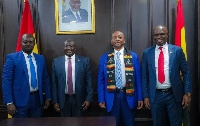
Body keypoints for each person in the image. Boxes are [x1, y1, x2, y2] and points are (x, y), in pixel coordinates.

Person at [142, 25, 192, 126]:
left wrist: (187, 93)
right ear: (153, 36)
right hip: (156, 96)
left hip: (174, 95)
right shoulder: (147, 53)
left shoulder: (177, 51)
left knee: (176, 123)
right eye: (156, 34)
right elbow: (144, 75)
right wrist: (145, 96)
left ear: (167, 35)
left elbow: (186, 71)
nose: (159, 36)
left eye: (162, 34)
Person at [98, 31, 143, 126]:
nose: (117, 39)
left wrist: (140, 98)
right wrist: (101, 99)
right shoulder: (104, 58)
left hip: (129, 96)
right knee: (113, 123)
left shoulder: (133, 56)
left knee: (129, 123)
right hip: (111, 97)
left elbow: (138, 79)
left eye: (120, 37)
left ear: (124, 40)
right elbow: (101, 80)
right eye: (114, 37)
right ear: (111, 41)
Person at [2, 33, 51, 118]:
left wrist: (48, 97)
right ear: (21, 43)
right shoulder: (12, 58)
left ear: (34, 44)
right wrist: (9, 102)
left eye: (30, 42)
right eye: (25, 42)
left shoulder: (40, 58)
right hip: (19, 101)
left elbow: (45, 79)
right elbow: (6, 81)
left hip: (37, 100)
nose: (28, 44)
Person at [51, 39, 93, 117]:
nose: (69, 48)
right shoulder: (56, 62)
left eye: (71, 46)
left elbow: (89, 82)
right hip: (62, 100)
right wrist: (55, 101)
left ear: (75, 48)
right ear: (63, 48)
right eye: (66, 46)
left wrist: (88, 99)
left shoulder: (84, 61)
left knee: (79, 123)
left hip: (80, 99)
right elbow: (54, 83)